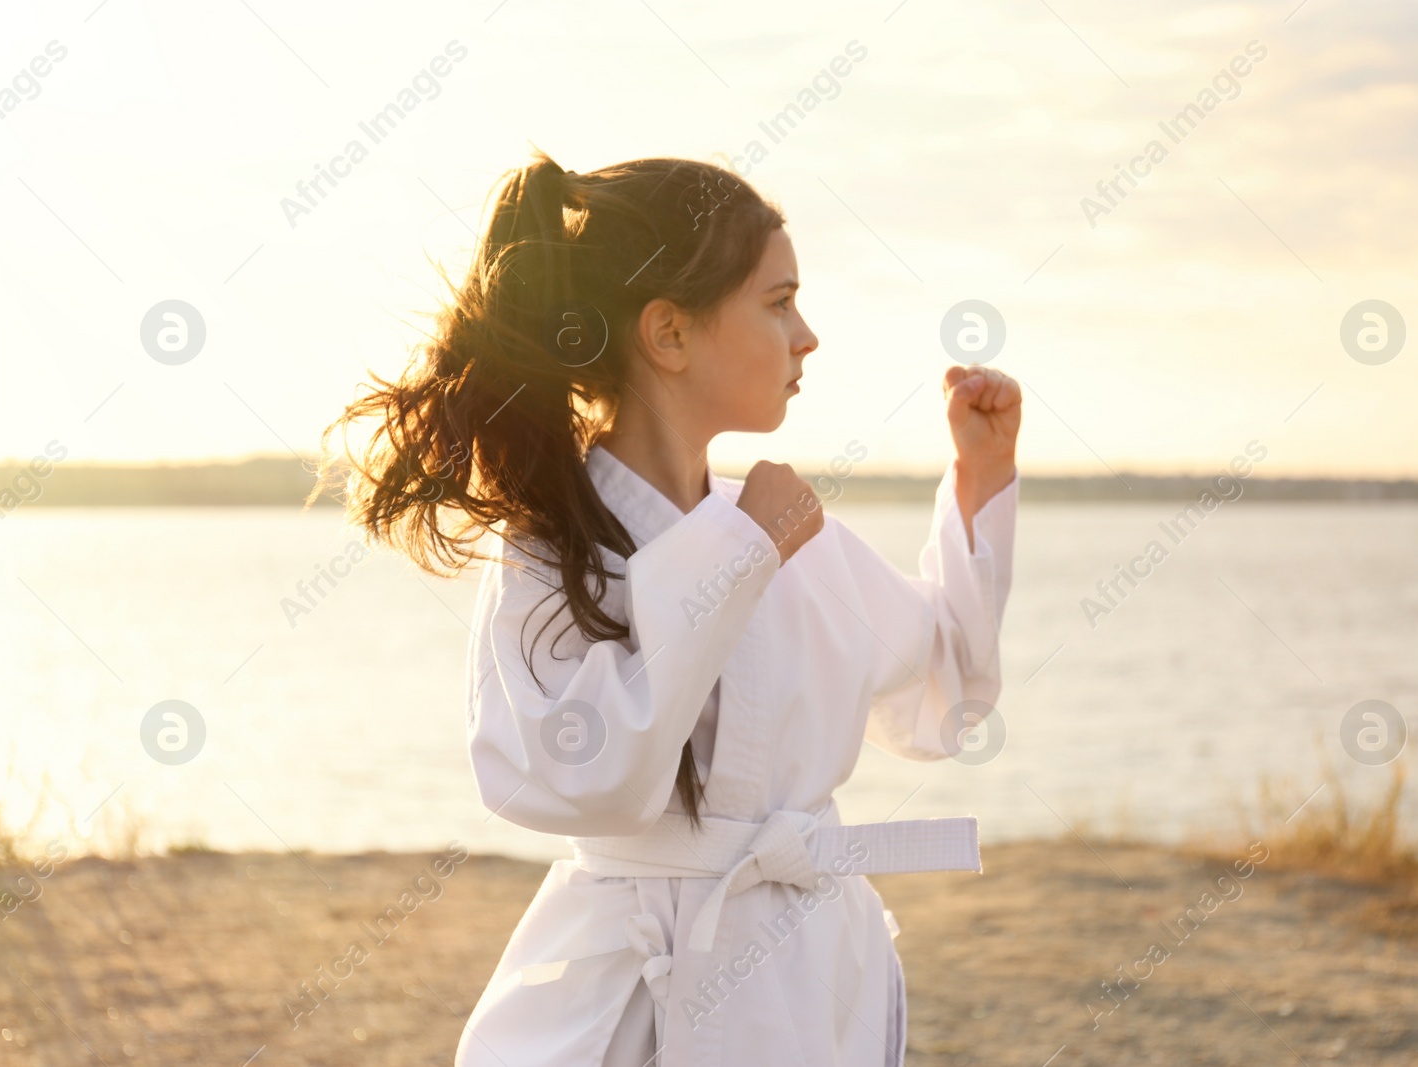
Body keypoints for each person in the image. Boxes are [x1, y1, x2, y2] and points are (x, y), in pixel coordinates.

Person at [318, 153, 1021, 1066]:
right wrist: (742, 554)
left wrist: (981, 477)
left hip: (809, 982)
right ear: (670, 333)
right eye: (778, 302)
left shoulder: (787, 531)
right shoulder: (555, 550)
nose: (806, 336)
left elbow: (948, 688)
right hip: (632, 1000)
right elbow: (585, 777)